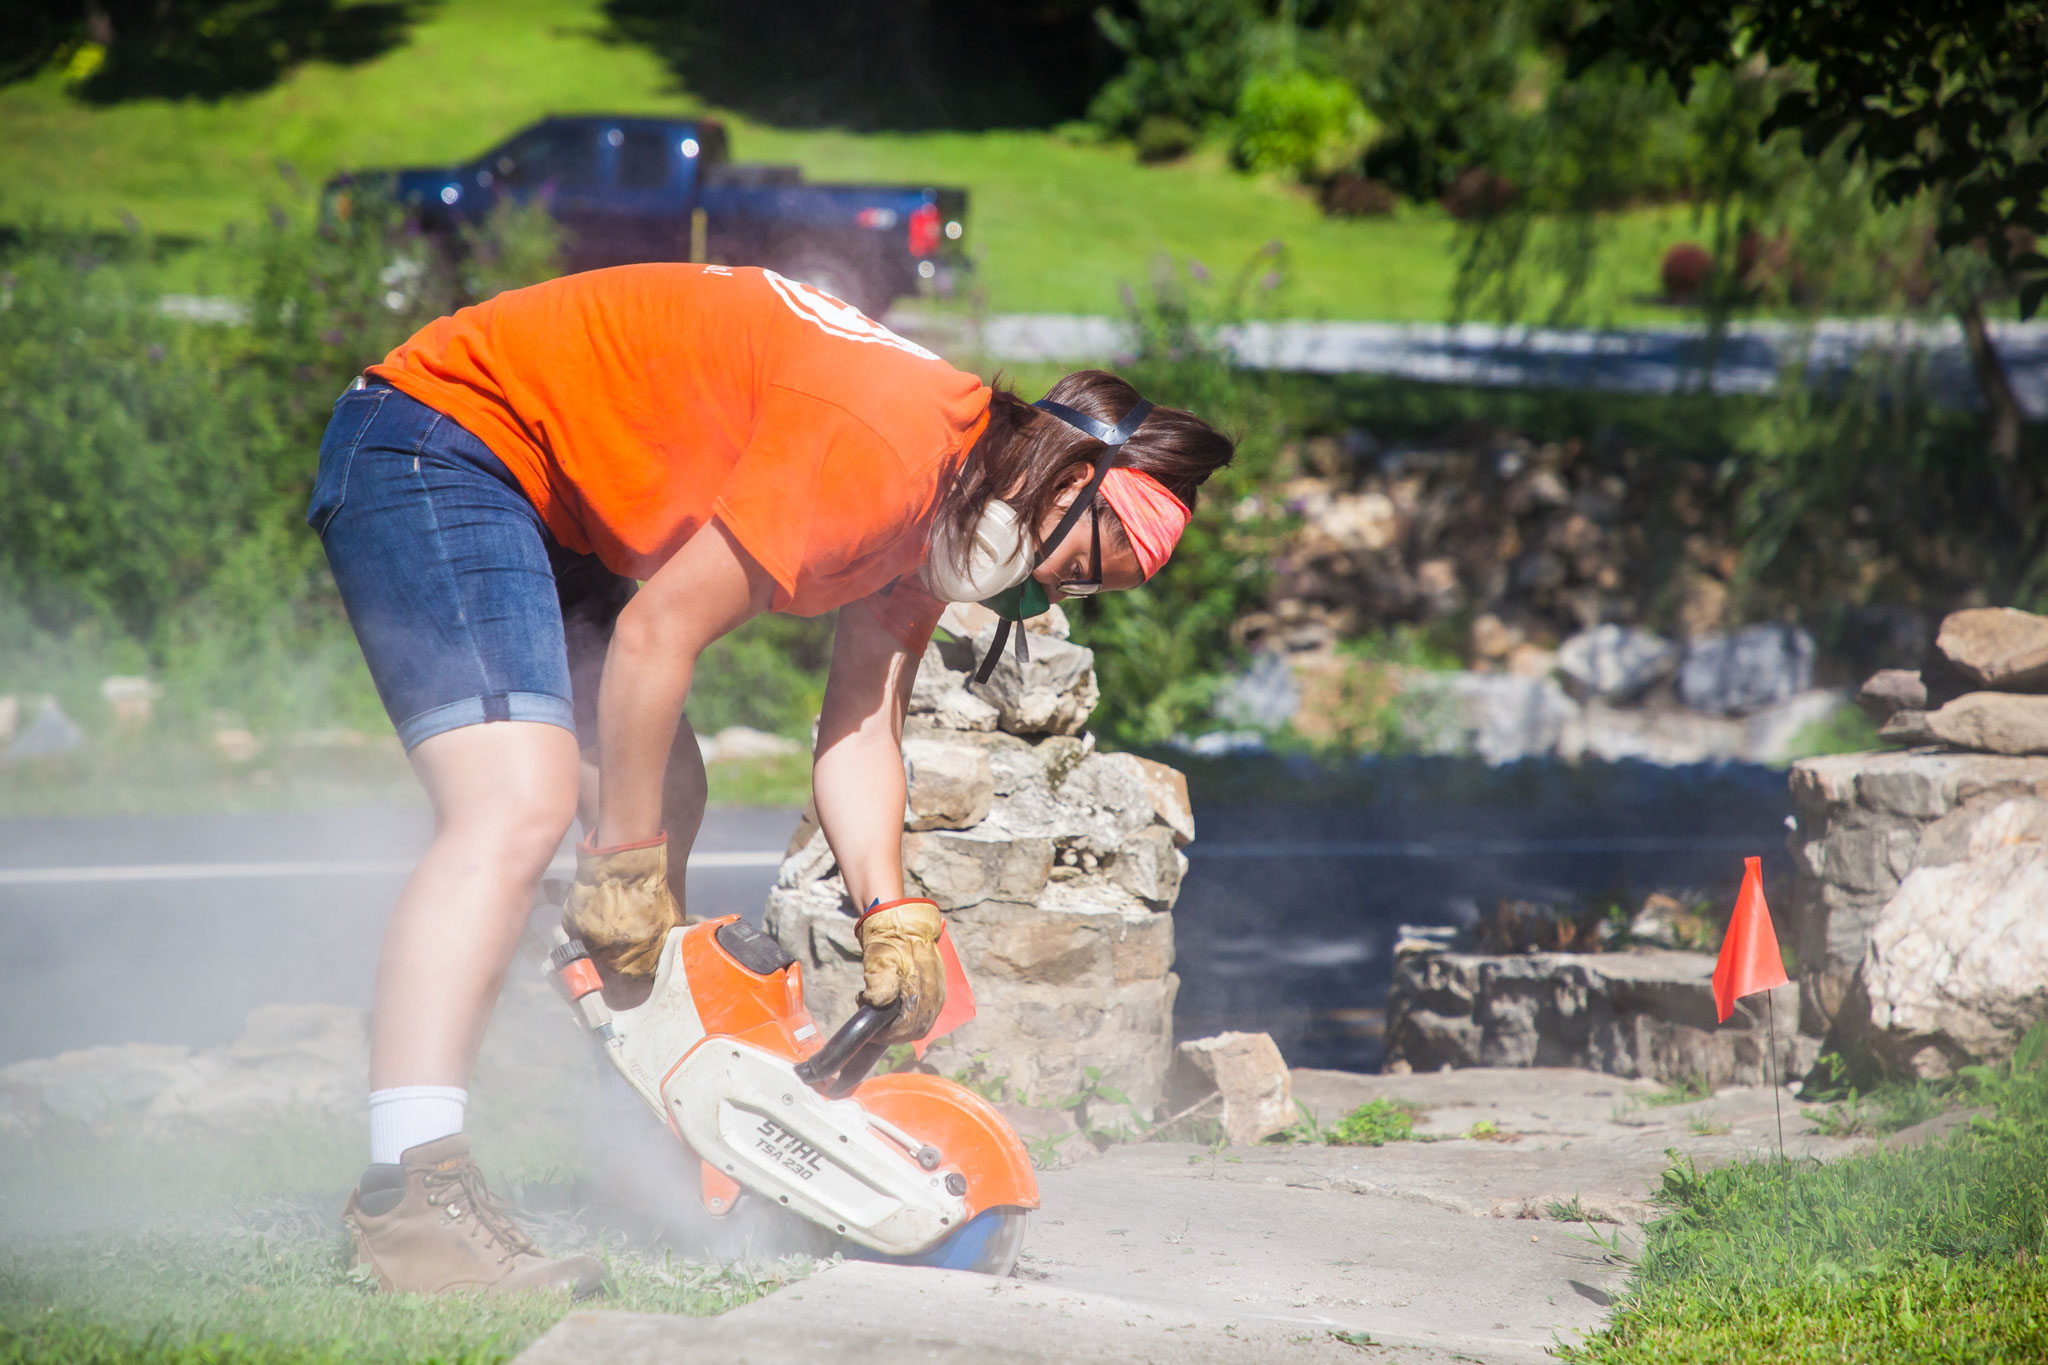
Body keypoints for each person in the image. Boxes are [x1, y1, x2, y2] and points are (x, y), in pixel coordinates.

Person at [307, 263, 1235, 1295]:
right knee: (516, 808)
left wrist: (892, 911)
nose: (1060, 592)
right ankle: (408, 1197)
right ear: (1070, 478)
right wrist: (618, 863)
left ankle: (639, 1136)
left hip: (543, 492)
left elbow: (859, 727)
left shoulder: (949, 500)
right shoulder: (888, 451)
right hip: (438, 438)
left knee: (665, 792)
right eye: (1086, 565)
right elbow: (657, 632)